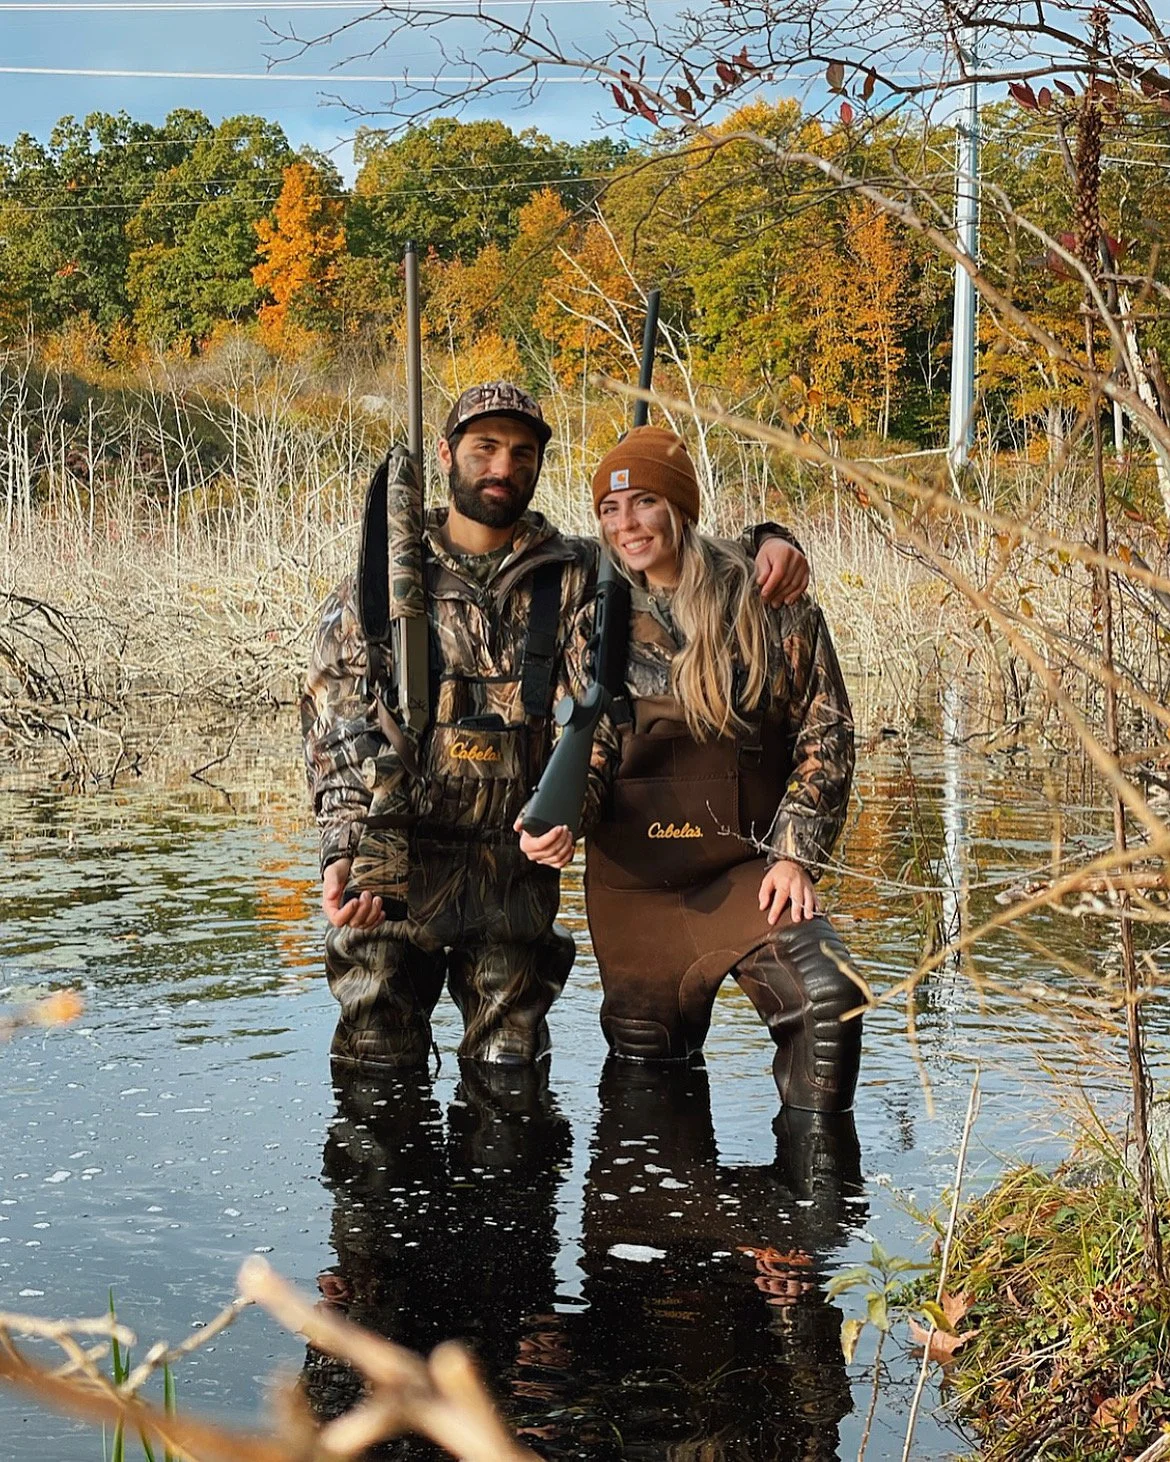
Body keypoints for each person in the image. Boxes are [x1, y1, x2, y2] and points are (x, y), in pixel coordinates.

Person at [302, 383, 810, 1071]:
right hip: (393, 875)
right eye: (484, 448)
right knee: (374, 1096)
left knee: (512, 1109)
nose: (503, 467)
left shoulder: (578, 575)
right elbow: (336, 737)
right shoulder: (381, 586)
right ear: (448, 455)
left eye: (521, 452)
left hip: (514, 888)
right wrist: (342, 854)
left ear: (539, 465)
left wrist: (768, 542)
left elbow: (673, 549)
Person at [520, 425, 861, 1111]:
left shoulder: (767, 601)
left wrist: (795, 855)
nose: (626, 525)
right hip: (635, 891)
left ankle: (815, 1205)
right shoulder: (595, 623)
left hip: (749, 874)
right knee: (645, 1088)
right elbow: (590, 756)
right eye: (610, 511)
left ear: (680, 506)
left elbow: (826, 732)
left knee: (830, 1004)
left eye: (644, 502)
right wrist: (560, 824)